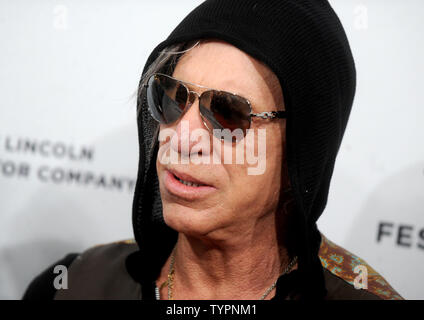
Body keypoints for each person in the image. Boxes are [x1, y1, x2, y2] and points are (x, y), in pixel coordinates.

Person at [23, 0, 403, 300]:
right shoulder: (71, 285)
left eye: (227, 112)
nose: (181, 138)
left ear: (303, 152)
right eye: (171, 97)